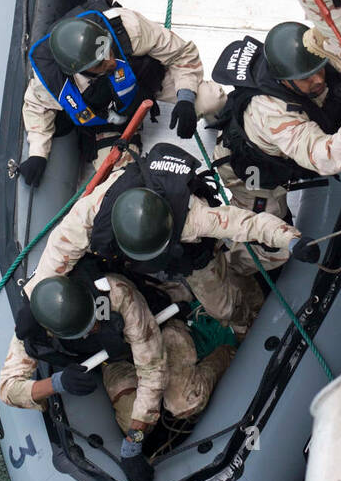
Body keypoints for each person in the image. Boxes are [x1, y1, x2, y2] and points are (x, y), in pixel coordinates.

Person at [24, 141, 322, 339]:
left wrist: (292, 240)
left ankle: (249, 315)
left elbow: (247, 224)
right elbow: (58, 250)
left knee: (224, 308)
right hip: (159, 259)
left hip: (192, 258)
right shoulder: (91, 212)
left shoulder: (195, 218)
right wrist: (37, 298)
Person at [0, 272, 233, 481]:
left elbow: (152, 370)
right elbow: (8, 389)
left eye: (91, 322)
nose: (92, 330)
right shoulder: (33, 330)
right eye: (84, 329)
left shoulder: (115, 293)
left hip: (155, 331)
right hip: (114, 360)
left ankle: (227, 354)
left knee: (184, 401)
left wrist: (133, 442)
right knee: (131, 418)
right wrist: (58, 382)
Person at [210, 22, 341, 271]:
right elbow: (325, 159)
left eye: (320, 70)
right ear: (285, 81)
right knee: (271, 244)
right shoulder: (271, 112)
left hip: (282, 139)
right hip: (250, 173)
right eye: (306, 78)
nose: (318, 79)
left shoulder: (311, 53)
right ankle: (235, 265)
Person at [18, 0, 225, 186]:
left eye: (107, 49)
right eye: (99, 63)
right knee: (116, 180)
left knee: (211, 99)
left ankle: (225, 133)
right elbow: (36, 107)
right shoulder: (50, 81)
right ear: (77, 70)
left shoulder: (127, 27)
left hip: (144, 83)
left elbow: (182, 53)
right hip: (106, 120)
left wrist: (186, 99)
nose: (109, 61)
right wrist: (37, 154)